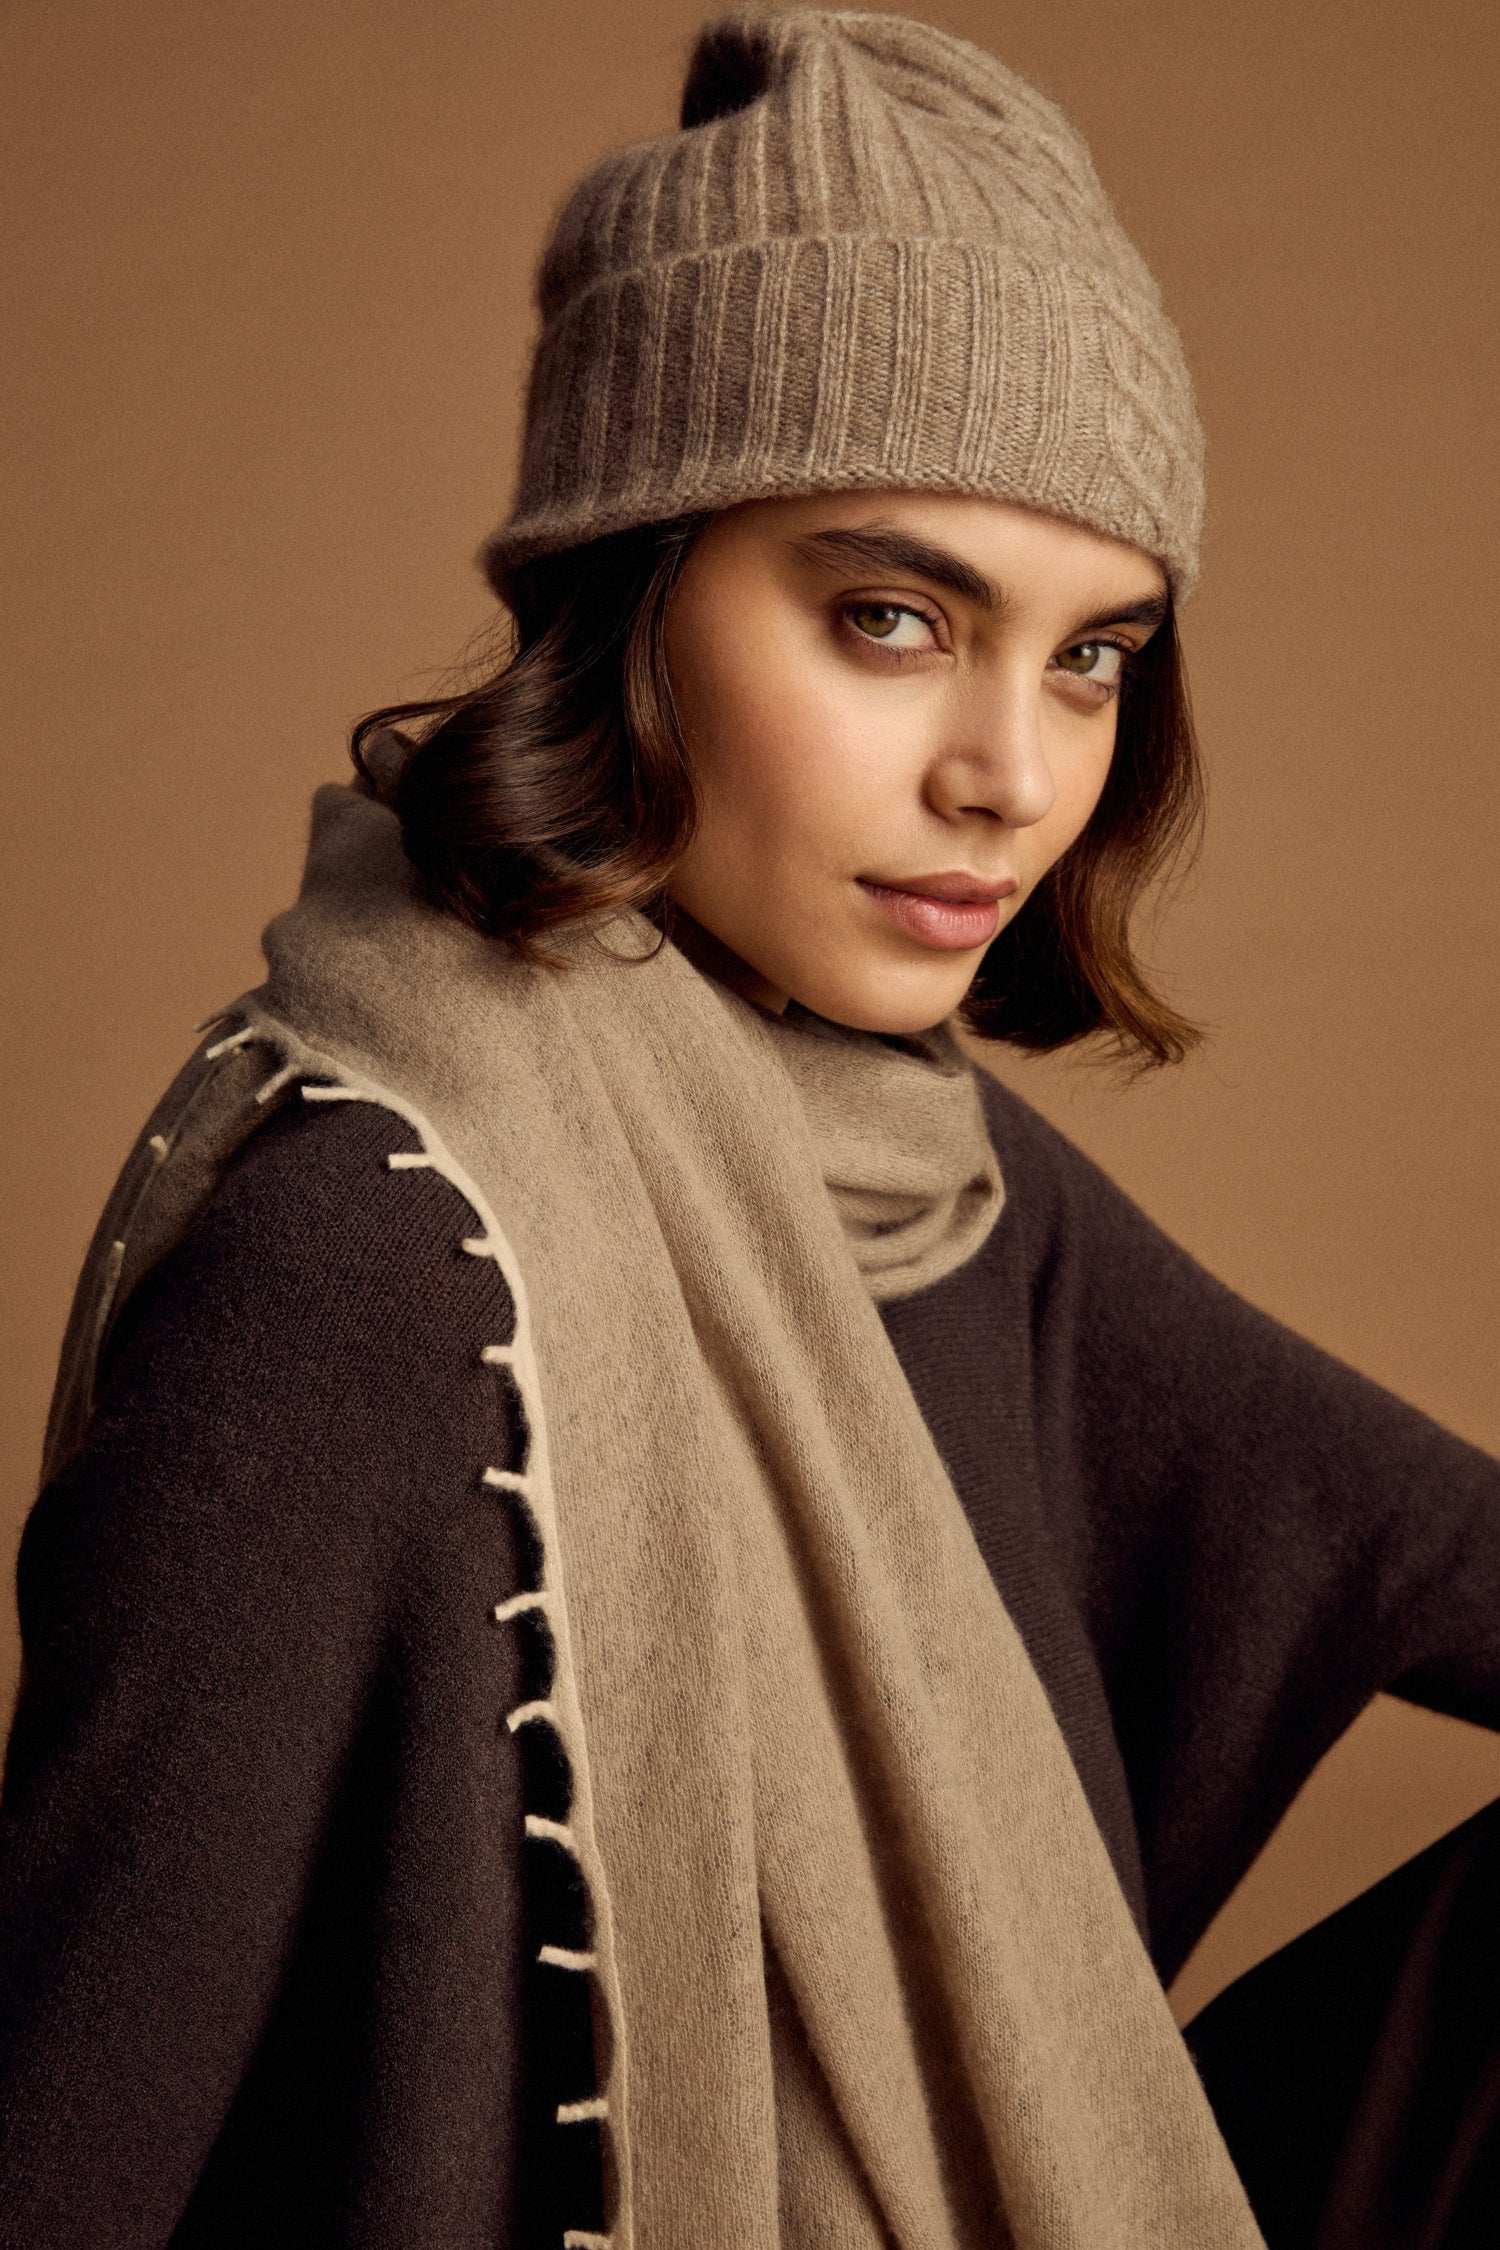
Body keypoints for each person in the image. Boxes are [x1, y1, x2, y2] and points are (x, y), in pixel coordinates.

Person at [1, 10, 1497, 2247]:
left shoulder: (934, 1170)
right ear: (634, 593)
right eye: (892, 618)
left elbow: (1443, 1553)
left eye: (1094, 655)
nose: (1010, 771)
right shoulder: (365, 1274)